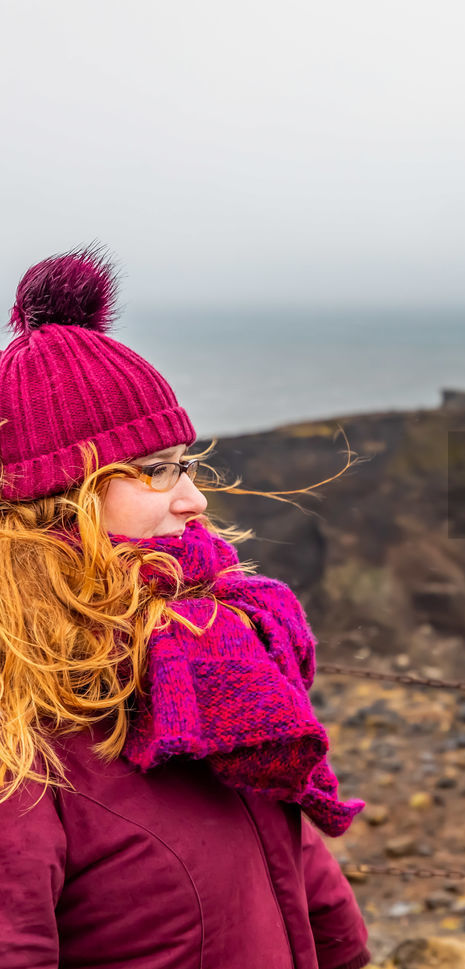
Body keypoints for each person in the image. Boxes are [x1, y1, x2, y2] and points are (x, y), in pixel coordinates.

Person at [0, 246, 371, 969]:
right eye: (156, 470)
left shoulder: (207, 657)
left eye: (187, 463)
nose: (193, 499)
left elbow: (291, 858)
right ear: (60, 496)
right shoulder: (22, 735)